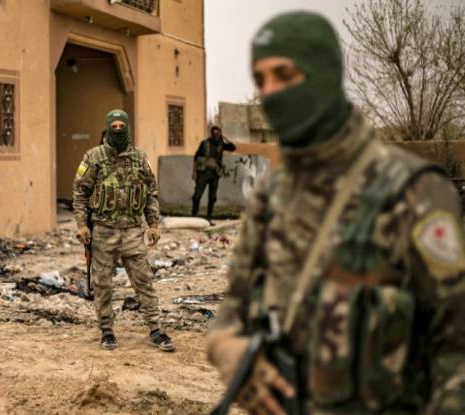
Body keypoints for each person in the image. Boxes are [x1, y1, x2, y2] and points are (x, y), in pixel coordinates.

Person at [206, 11, 465, 415]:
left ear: (324, 74)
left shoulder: (413, 191)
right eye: (260, 79)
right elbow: (232, 310)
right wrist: (231, 351)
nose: (270, 91)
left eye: (284, 74)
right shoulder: (271, 195)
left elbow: (455, 347)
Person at [73, 109, 174, 352]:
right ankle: (107, 330)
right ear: (108, 128)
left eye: (122, 126)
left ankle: (155, 329)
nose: (118, 130)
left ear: (128, 128)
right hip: (103, 231)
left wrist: (153, 224)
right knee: (103, 284)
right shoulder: (93, 157)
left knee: (144, 281)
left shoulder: (139, 158)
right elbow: (80, 193)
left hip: (132, 231)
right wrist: (82, 225)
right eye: (114, 126)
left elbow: (150, 193)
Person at [191, 125, 236, 221]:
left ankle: (209, 218)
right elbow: (196, 157)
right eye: (214, 132)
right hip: (203, 172)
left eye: (218, 132)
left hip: (215, 174)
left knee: (212, 197)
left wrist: (225, 138)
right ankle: (194, 217)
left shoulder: (221, 144)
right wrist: (194, 172)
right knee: (196, 196)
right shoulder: (205, 143)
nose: (216, 134)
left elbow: (233, 148)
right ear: (211, 133)